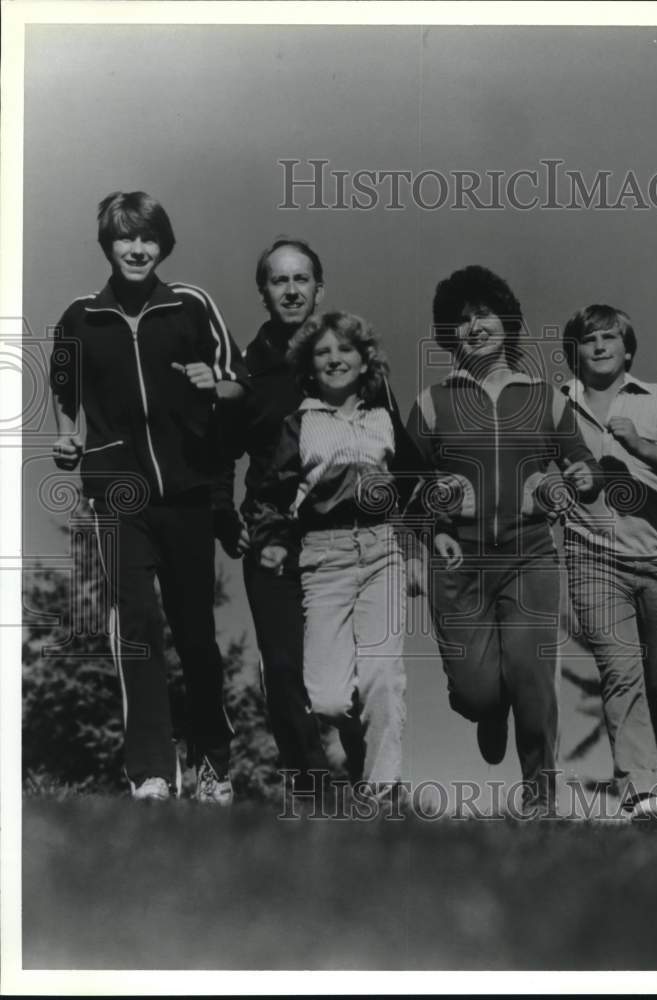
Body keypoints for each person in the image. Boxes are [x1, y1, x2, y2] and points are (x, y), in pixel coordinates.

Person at [49, 190, 247, 803]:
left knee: (195, 633)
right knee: (135, 624)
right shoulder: (80, 317)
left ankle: (213, 764)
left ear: (164, 244)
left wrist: (214, 384)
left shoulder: (191, 304)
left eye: (148, 238)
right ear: (107, 245)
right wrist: (66, 438)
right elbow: (64, 390)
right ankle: (151, 772)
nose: (137, 249)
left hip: (187, 489)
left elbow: (238, 383)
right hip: (117, 491)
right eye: (125, 238)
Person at [406, 265, 600, 813]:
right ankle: (488, 710)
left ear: (506, 322)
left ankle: (540, 798)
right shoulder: (432, 402)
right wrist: (431, 519)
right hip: (457, 560)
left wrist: (578, 478)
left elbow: (583, 465)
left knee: (531, 677)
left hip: (530, 554)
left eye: (484, 314)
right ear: (449, 335)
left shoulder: (546, 399)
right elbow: (404, 485)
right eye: (461, 320)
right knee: (478, 691)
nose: (474, 327)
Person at [244, 311, 448, 798]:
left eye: (345, 350)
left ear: (364, 361)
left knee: (382, 677)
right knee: (329, 700)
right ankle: (363, 746)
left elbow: (415, 486)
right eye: (323, 352)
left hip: (381, 551)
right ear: (309, 367)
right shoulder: (299, 424)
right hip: (323, 558)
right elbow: (270, 495)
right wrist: (274, 540)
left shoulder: (384, 420)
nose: (334, 359)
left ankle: (380, 795)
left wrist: (431, 535)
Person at [560, 304, 657, 821]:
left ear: (627, 350)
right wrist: (560, 486)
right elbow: (531, 477)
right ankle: (644, 794)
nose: (599, 346)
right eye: (588, 339)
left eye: (609, 337)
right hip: (592, 558)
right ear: (575, 352)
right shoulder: (556, 406)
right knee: (620, 671)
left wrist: (640, 446)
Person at [212, 238, 331, 795]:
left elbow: (391, 444)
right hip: (270, 533)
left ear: (318, 289)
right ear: (263, 292)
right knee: (283, 665)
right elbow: (219, 450)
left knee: (342, 678)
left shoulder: (345, 357)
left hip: (344, 536)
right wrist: (221, 511)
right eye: (279, 280)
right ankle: (312, 789)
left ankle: (366, 786)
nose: (291, 290)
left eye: (301, 279)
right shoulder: (245, 370)